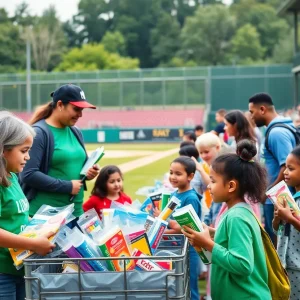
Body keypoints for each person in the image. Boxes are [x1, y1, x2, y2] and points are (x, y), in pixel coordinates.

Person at [182, 140, 271, 300]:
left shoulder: (237, 217)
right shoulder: (236, 211)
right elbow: (231, 240)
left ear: (231, 186)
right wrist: (211, 233)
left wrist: (207, 243)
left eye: (213, 181)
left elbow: (243, 265)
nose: (209, 186)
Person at [19, 84, 99, 222]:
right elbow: (28, 174)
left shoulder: (75, 131)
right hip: (46, 217)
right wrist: (67, 186)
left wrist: (89, 172)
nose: (80, 114)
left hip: (75, 213)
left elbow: (77, 167)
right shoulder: (39, 133)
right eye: (76, 109)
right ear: (60, 104)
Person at [0, 111, 55, 300]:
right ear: (3, 149)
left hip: (19, 267)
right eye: (23, 151)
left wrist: (42, 226)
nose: (28, 157)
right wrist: (33, 243)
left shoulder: (12, 177)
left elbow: (18, 216)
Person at [249, 93, 296, 243]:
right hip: (275, 198)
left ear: (262, 109)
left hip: (277, 200)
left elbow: (287, 167)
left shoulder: (277, 133)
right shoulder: (275, 128)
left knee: (278, 244)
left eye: (252, 112)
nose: (251, 117)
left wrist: (268, 193)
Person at [156, 156, 202, 300]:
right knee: (179, 284)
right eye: (171, 172)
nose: (173, 177)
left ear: (190, 176)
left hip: (190, 249)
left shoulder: (191, 198)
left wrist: (163, 222)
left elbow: (187, 227)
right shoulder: (175, 194)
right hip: (177, 246)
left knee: (190, 285)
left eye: (178, 173)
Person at [273, 146, 300, 300]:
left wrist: (290, 218)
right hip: (285, 263)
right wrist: (278, 219)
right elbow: (278, 230)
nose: (285, 172)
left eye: (291, 168)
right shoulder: (291, 197)